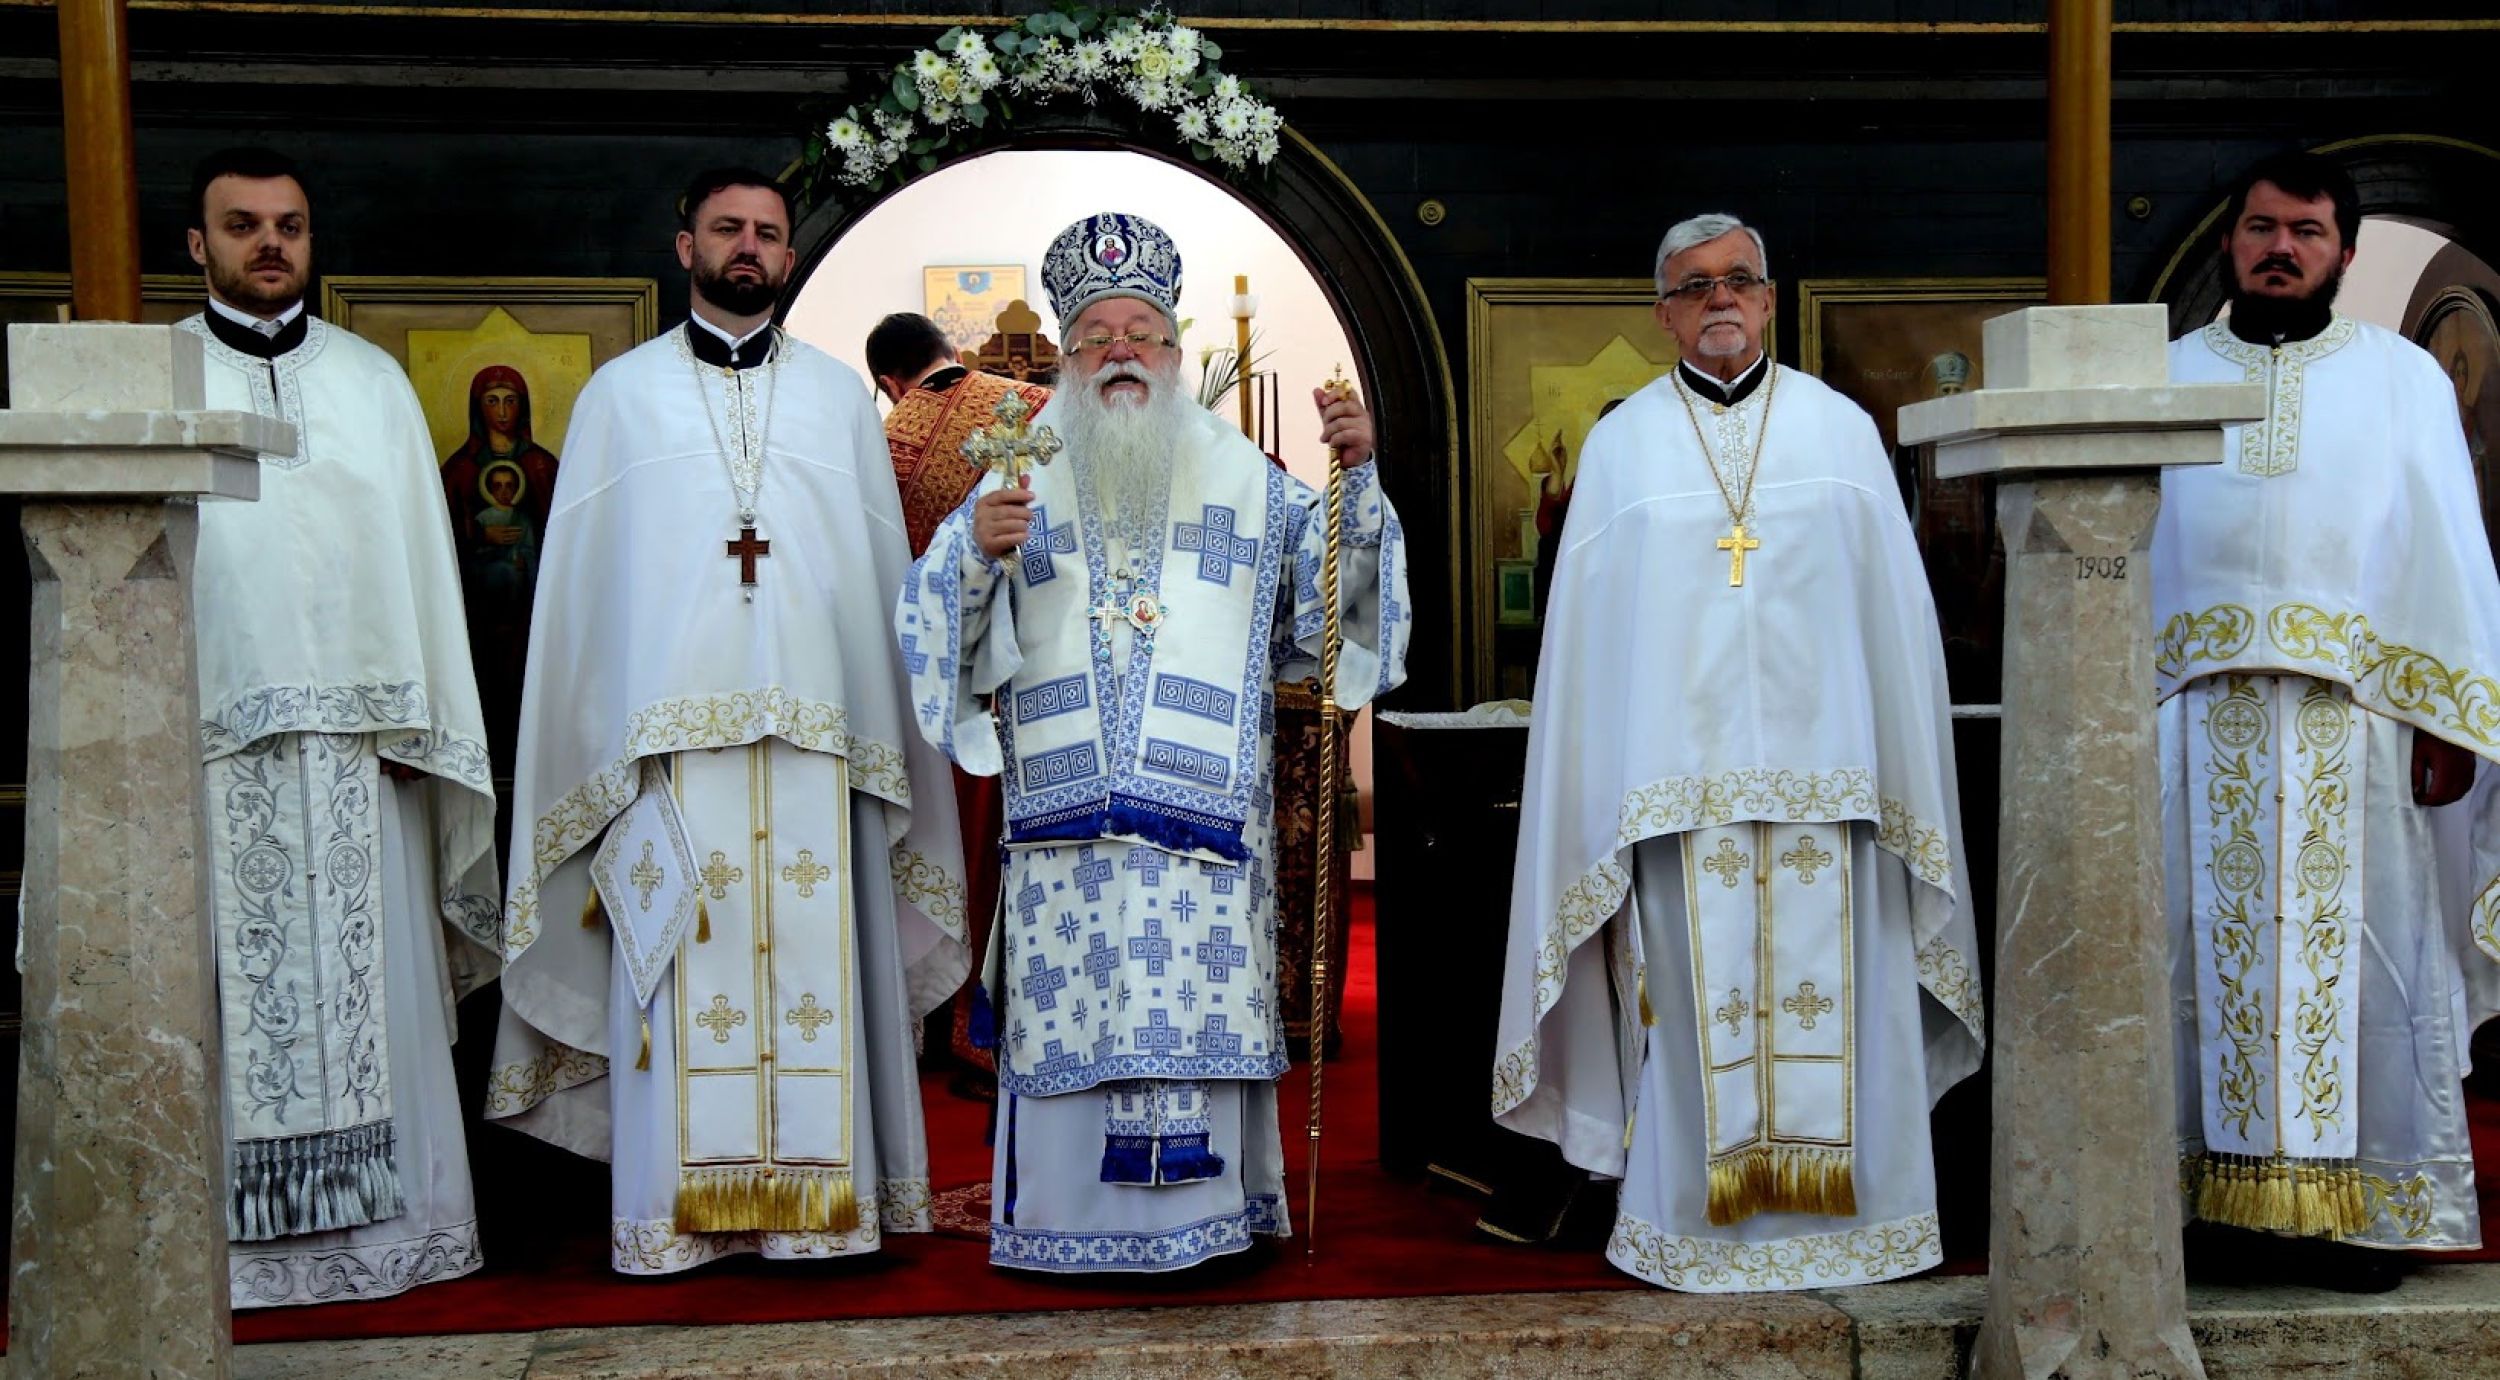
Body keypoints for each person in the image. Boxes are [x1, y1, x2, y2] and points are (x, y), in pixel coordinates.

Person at [896, 210, 1410, 1272]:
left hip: (1205, 825)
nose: (1120, 351)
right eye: (1095, 335)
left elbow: (1326, 623)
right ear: (1064, 355)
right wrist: (981, 562)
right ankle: (1059, 1227)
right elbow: (930, 628)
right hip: (1063, 825)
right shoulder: (1014, 474)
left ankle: (1214, 1219)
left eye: (1142, 332)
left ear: (1176, 352)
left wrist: (1356, 489)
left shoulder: (1248, 481)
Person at [486, 168, 971, 1275]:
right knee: (676, 976)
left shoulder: (839, 400)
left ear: (787, 261)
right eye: (726, 231)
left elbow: (870, 577)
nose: (747, 247)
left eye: (766, 234)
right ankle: (675, 1223)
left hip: (819, 751)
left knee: (817, 979)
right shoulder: (622, 396)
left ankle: (819, 1217)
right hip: (671, 757)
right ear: (685, 247)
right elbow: (587, 595)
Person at [1492, 213, 1984, 1292]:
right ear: (1664, 311)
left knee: (1845, 1004)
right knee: (1690, 1005)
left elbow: (1890, 623)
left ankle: (1866, 1224)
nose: (1718, 299)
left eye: (1738, 282)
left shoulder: (1841, 429)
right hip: (1680, 792)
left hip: (1836, 787)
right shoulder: (1622, 444)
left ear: (1766, 299)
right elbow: (1591, 641)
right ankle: (1690, 1226)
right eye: (1693, 285)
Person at [2155, 151, 2500, 1288]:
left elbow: (2441, 545)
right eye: (2260, 228)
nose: (2280, 248)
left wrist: (2447, 721)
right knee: (2185, 965)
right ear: (2230, 245)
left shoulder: (2401, 378)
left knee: (2364, 971)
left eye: (2305, 231)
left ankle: (2357, 1214)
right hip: (2187, 732)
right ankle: (2203, 1208)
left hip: (2354, 730)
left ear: (2344, 251)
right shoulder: (2161, 374)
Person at [177, 146, 501, 1307]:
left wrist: (423, 734)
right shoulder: (160, 379)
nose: (271, 244)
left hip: (369, 767)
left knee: (382, 1004)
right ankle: (238, 1260)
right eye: (244, 224)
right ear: (197, 244)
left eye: (291, 226)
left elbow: (416, 575)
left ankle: (397, 1239)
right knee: (225, 993)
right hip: (214, 759)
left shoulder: (371, 385)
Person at [869, 312, 1055, 1083]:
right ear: (952, 354)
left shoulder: (883, 443)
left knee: (949, 850)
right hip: (1044, 676)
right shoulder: (1037, 408)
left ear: (888, 382)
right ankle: (1021, 1024)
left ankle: (945, 1023)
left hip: (931, 690)